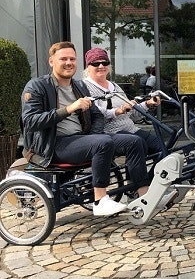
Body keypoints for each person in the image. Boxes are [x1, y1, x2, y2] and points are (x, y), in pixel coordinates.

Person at [21, 42, 149, 215]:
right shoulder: (37, 86)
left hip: (80, 140)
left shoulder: (79, 86)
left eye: (72, 59)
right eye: (63, 59)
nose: (69, 62)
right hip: (52, 145)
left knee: (134, 141)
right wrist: (69, 109)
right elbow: (30, 121)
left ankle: (143, 196)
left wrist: (93, 136)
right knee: (102, 143)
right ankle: (100, 200)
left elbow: (96, 114)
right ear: (51, 61)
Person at [82, 47, 163, 160]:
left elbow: (131, 113)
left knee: (161, 146)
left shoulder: (115, 86)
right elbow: (94, 113)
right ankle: (136, 177)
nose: (101, 66)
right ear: (88, 67)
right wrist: (118, 111)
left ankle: (155, 176)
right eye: (96, 63)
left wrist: (148, 104)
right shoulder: (85, 87)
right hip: (108, 133)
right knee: (138, 144)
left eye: (105, 62)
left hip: (130, 129)